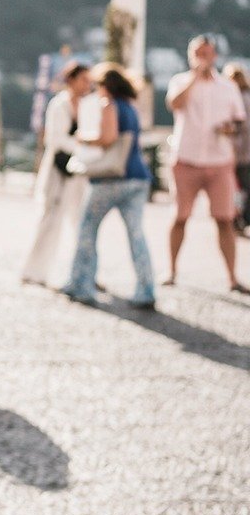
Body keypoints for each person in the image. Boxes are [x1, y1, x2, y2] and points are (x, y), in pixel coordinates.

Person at [61, 64, 156, 310]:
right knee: (137, 235)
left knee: (87, 229)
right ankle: (146, 289)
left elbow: (108, 138)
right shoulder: (132, 108)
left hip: (111, 178)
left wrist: (83, 137)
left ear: (105, 86)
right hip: (138, 177)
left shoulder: (109, 105)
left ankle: (81, 284)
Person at [165, 35, 247, 293]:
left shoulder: (227, 87)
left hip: (219, 161)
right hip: (186, 159)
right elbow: (175, 104)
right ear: (191, 56)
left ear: (215, 56)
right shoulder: (180, 81)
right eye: (199, 54)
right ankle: (172, 271)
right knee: (180, 217)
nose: (204, 58)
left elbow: (238, 122)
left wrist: (228, 129)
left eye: (208, 54)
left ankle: (232, 278)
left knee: (224, 219)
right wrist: (194, 77)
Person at [21, 59, 92, 286]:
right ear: (71, 80)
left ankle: (82, 273)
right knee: (50, 220)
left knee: (81, 222)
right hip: (58, 169)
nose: (86, 84)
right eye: (83, 79)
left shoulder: (90, 106)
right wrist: (82, 144)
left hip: (79, 171)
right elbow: (55, 139)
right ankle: (35, 270)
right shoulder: (59, 105)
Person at [225, 61, 250, 234]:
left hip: (236, 153)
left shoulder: (235, 98)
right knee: (243, 189)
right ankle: (240, 218)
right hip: (244, 153)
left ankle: (236, 218)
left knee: (237, 188)